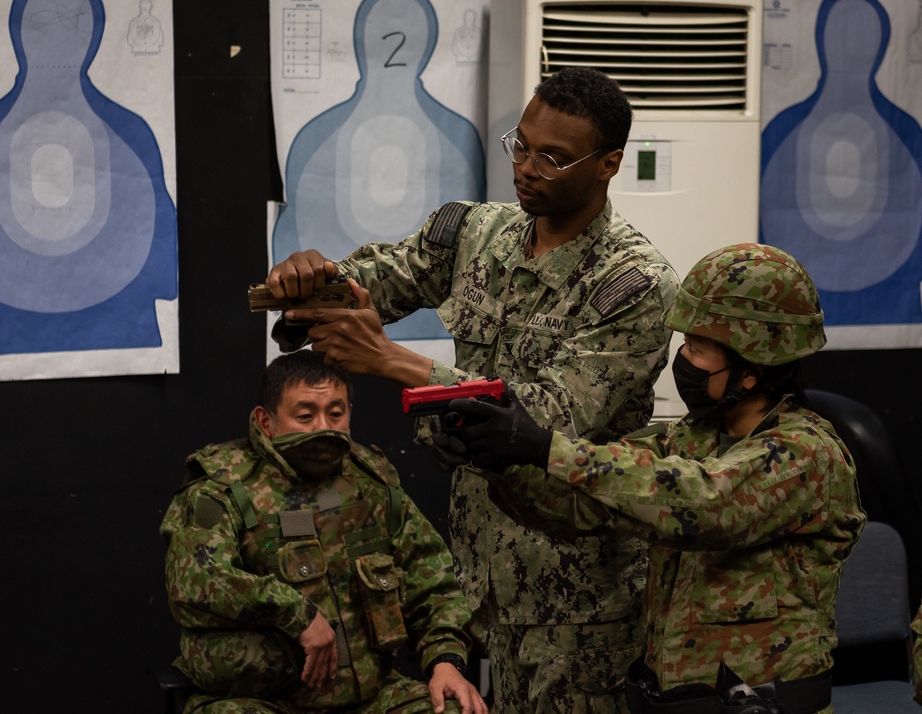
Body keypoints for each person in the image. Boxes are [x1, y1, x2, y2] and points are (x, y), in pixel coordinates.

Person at [265, 66, 679, 711]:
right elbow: (376, 280)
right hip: (477, 568)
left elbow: (543, 420)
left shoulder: (632, 285)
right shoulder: (475, 235)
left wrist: (394, 362)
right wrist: (308, 283)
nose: (528, 167)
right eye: (522, 143)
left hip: (573, 591)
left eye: (554, 157)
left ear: (609, 165)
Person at [438, 244, 866, 714]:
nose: (683, 359)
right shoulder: (692, 439)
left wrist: (544, 446)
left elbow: (701, 504)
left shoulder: (808, 454)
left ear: (751, 372)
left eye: (699, 348)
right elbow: (582, 504)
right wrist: (499, 460)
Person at [160, 350, 486, 714]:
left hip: (372, 697)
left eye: (335, 413)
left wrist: (445, 662)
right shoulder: (223, 490)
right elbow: (196, 581)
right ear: (266, 422)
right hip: (263, 701)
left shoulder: (370, 483)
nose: (323, 427)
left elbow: (433, 583)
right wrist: (296, 613)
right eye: (305, 415)